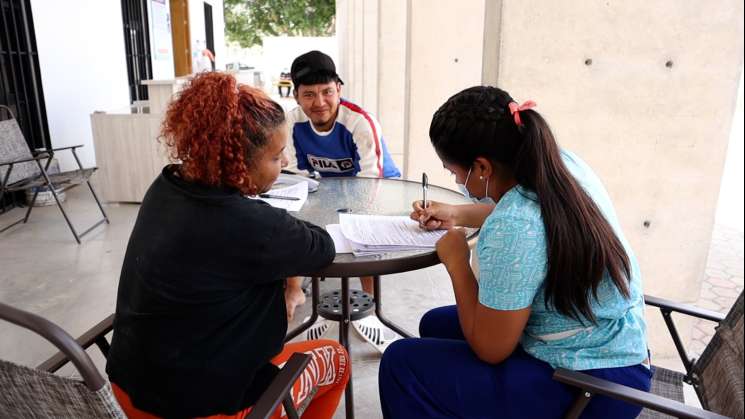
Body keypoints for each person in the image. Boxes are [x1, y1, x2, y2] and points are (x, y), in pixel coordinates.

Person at [378, 86, 651, 418]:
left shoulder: (513, 227)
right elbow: (534, 218)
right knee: (435, 324)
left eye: (454, 172)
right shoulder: (558, 165)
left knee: (401, 364)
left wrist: (457, 262)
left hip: (593, 387)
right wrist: (458, 213)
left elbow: (491, 349)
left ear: (482, 167)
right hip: (615, 345)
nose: (456, 179)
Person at [106, 72, 349, 419]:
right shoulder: (254, 226)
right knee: (335, 358)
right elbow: (321, 246)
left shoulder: (164, 188)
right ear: (238, 160)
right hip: (203, 409)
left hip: (128, 392)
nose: (283, 166)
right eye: (276, 157)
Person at [283, 50, 401, 352]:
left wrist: (347, 215)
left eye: (327, 92)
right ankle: (294, 290)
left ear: (339, 89)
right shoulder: (292, 123)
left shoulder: (360, 122)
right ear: (296, 96)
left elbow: (372, 182)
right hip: (326, 187)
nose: (319, 102)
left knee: (362, 233)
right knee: (292, 221)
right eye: (309, 94)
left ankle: (370, 304)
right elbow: (296, 177)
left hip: (375, 187)